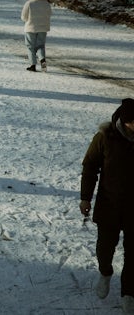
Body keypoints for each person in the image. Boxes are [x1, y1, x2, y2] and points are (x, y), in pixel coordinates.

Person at [80, 98, 134, 310]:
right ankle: (105, 272)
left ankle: (129, 294)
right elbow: (90, 167)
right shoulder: (104, 137)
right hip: (109, 205)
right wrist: (86, 197)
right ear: (124, 121)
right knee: (104, 249)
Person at [20, 0, 51, 72]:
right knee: (40, 45)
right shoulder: (46, 4)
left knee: (30, 46)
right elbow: (49, 14)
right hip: (43, 28)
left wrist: (27, 20)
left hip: (30, 28)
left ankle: (33, 65)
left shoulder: (29, 3)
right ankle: (42, 59)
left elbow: (23, 17)